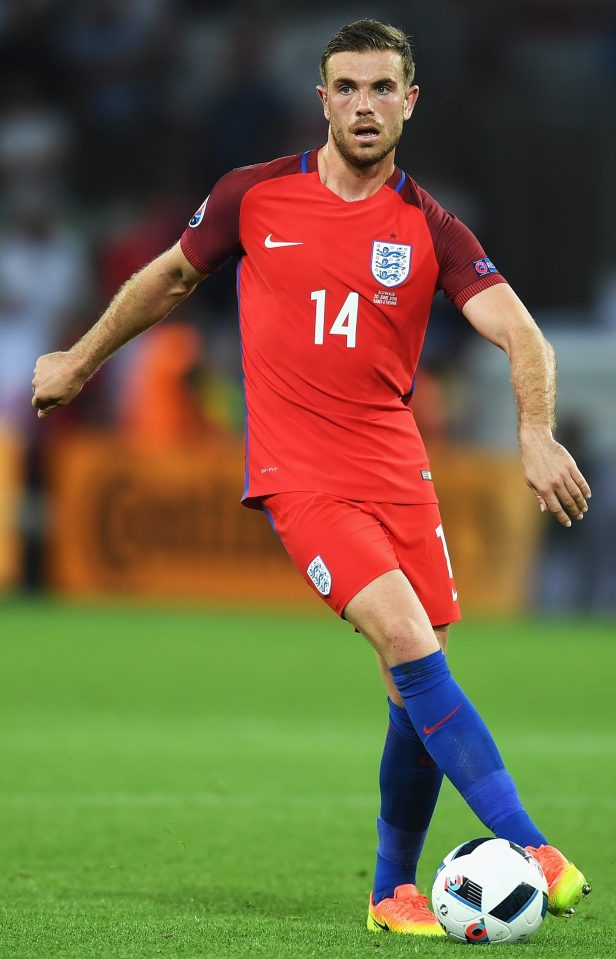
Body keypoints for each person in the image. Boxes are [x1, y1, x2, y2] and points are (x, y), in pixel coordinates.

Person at [32, 19, 592, 938]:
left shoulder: (431, 227)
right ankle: (532, 847)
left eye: (383, 90)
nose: (364, 106)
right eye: (348, 87)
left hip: (400, 475)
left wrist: (535, 433)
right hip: (302, 477)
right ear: (322, 98)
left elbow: (522, 332)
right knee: (413, 646)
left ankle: (389, 892)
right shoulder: (252, 198)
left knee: (414, 684)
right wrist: (83, 361)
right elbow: (170, 278)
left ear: (410, 103)